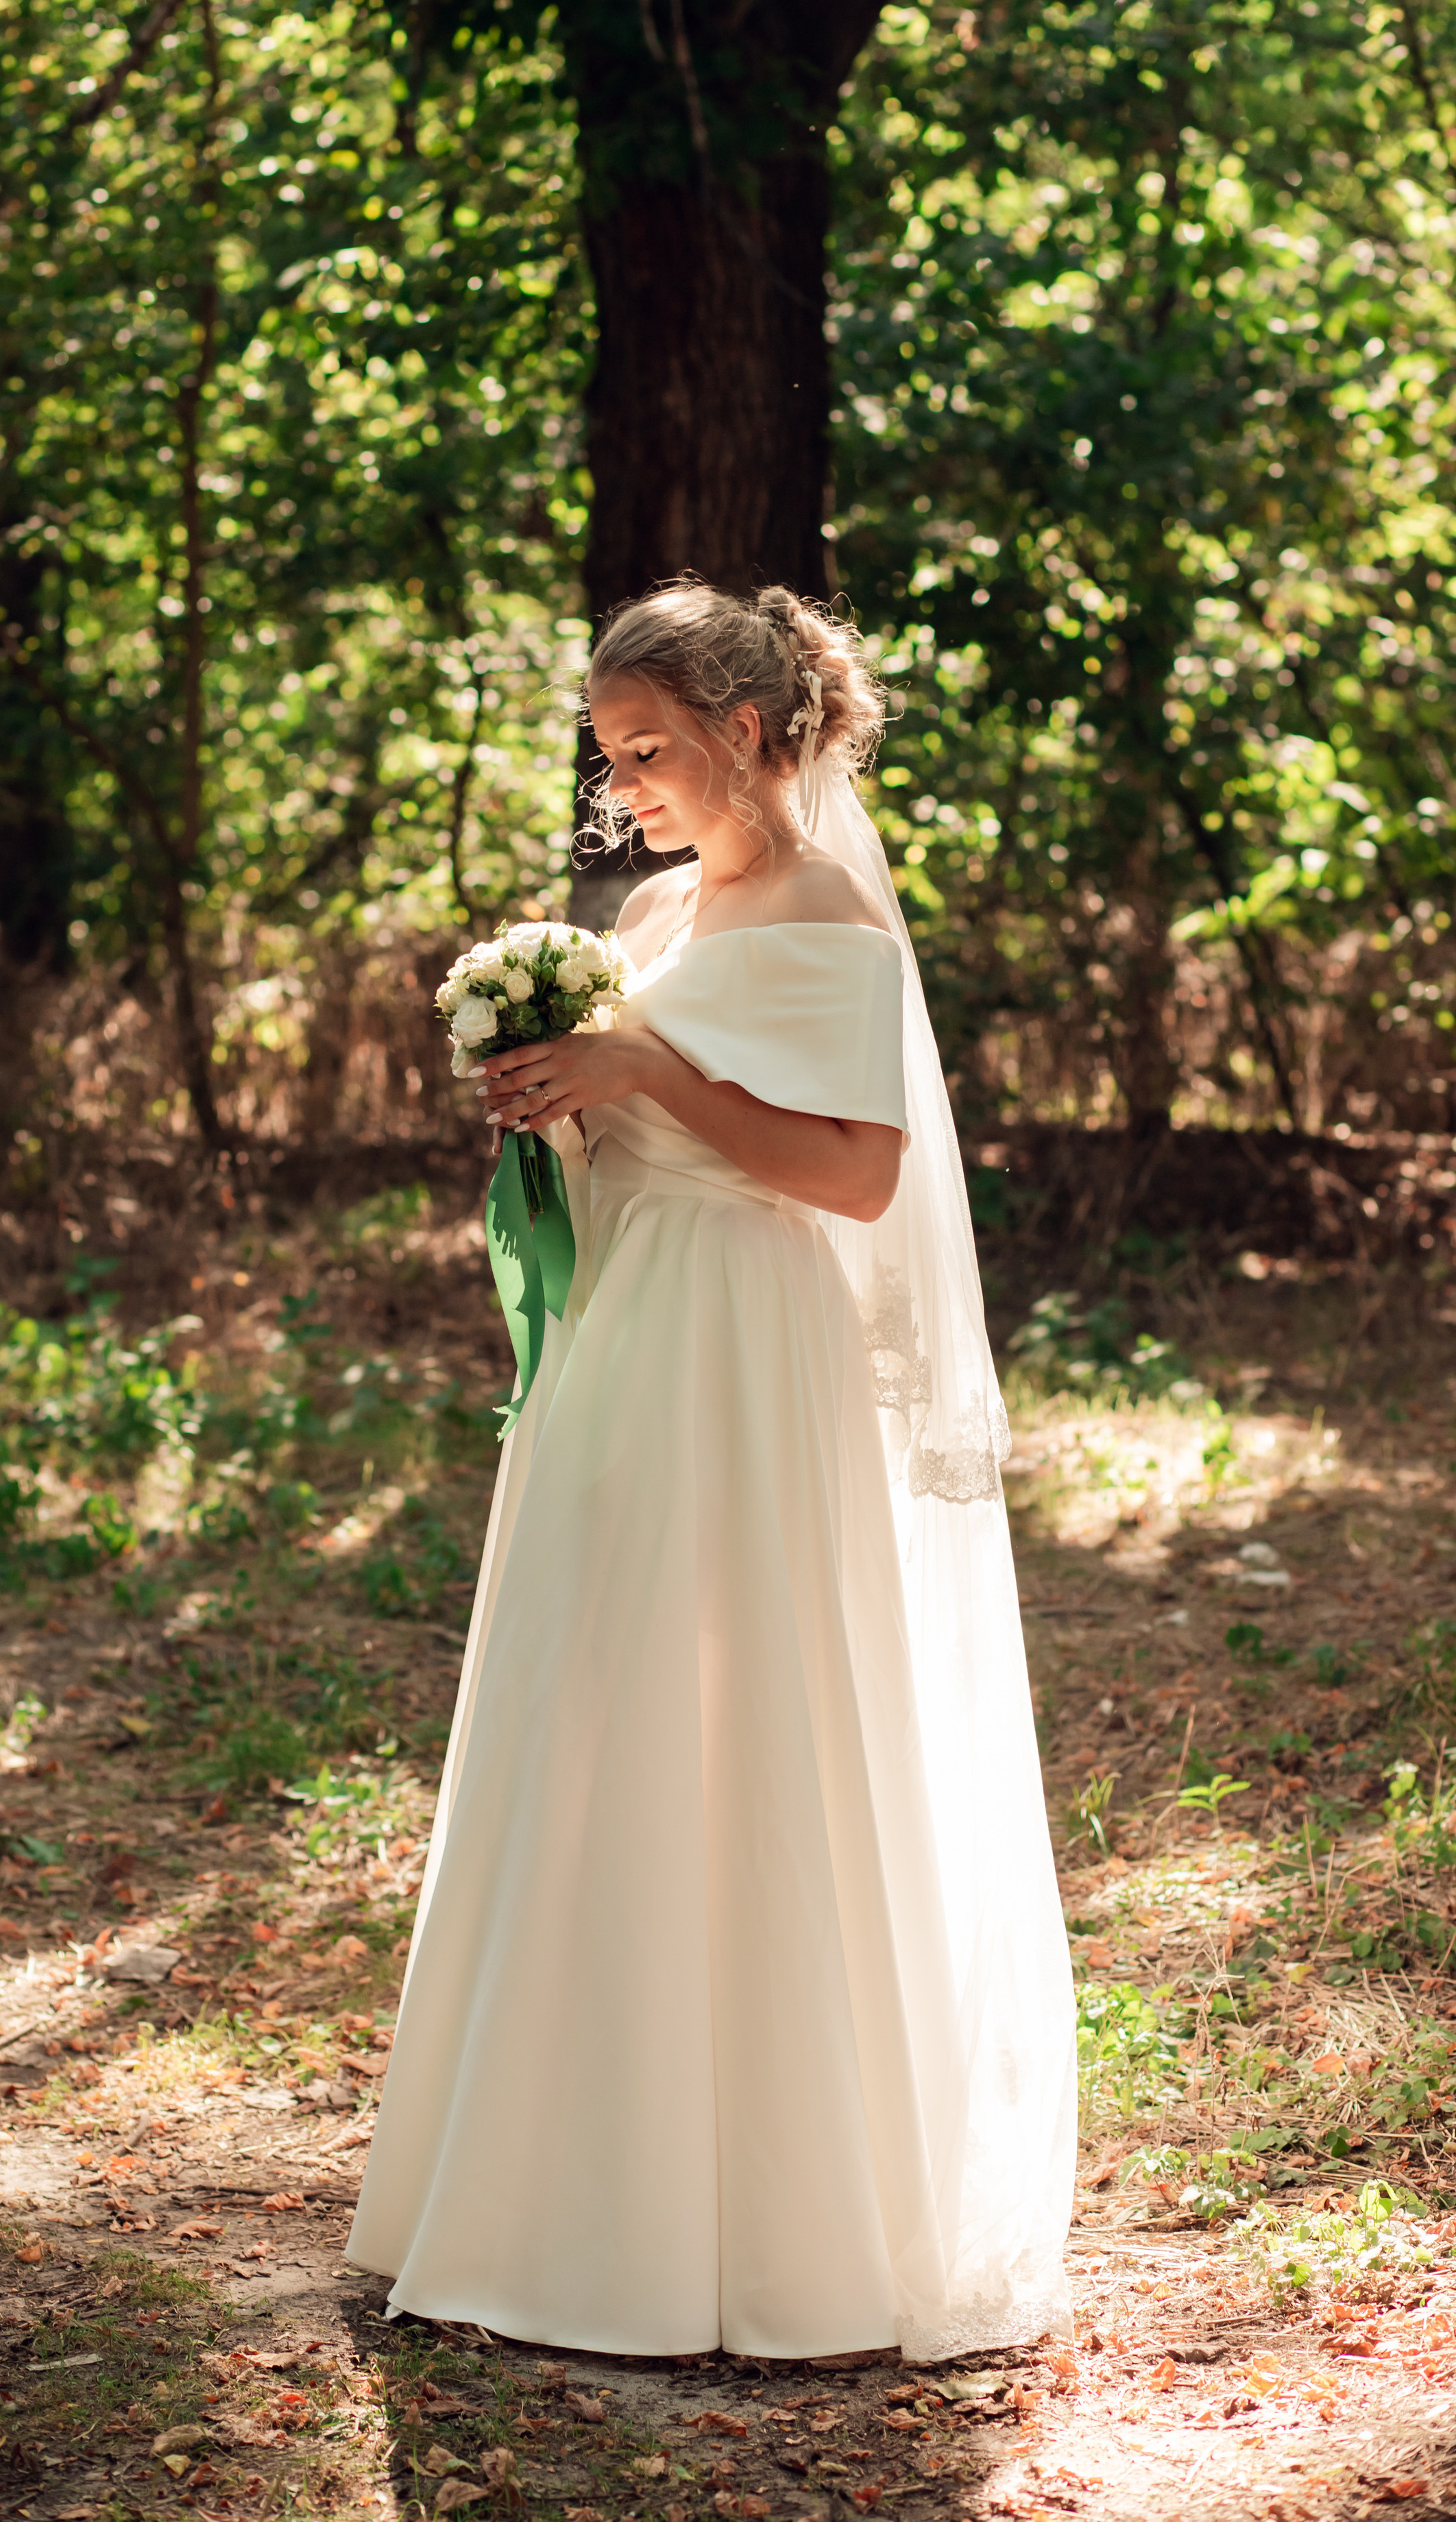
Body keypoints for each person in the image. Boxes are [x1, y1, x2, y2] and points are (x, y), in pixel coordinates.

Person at [345, 579, 1076, 2362]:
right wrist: (565, 1107)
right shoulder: (661, 911)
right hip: (629, 1331)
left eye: (652, 751)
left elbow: (850, 1176)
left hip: (751, 1339)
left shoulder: (831, 910)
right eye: (611, 759)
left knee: (751, 1726)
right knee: (591, 1706)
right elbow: (649, 1109)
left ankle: (765, 2219)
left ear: (749, 731)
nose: (629, 791)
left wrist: (639, 1072)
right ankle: (562, 2183)